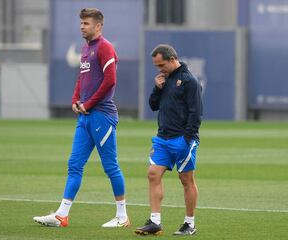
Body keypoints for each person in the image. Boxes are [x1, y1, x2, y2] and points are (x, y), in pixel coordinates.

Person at [33, 8, 130, 228]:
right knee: (74, 164)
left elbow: (110, 81)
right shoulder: (86, 48)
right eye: (81, 23)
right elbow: (82, 77)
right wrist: (76, 99)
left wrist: (89, 103)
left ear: (98, 26)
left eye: (86, 23)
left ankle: (122, 216)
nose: (82, 27)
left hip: (102, 116)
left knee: (110, 166)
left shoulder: (105, 47)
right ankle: (62, 215)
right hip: (86, 117)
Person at [134, 44, 203, 236]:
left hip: (183, 139)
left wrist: (187, 139)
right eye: (156, 66)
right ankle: (155, 222)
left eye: (161, 65)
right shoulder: (164, 79)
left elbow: (196, 113)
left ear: (173, 59)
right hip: (162, 138)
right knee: (153, 174)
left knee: (186, 179)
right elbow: (153, 105)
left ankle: (189, 224)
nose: (159, 69)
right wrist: (157, 88)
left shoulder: (190, 81)